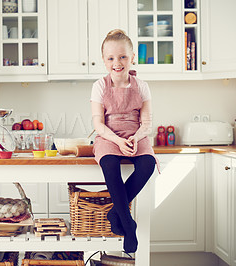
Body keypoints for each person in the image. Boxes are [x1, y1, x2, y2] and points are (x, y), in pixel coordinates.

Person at [90, 29, 157, 253]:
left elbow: (147, 122)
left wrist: (136, 138)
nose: (117, 63)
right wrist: (118, 141)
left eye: (122, 57)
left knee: (148, 164)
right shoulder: (99, 85)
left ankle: (115, 212)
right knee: (109, 164)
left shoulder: (142, 86)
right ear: (104, 60)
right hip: (109, 136)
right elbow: (98, 124)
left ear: (132, 57)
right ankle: (128, 224)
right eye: (110, 58)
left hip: (137, 134)